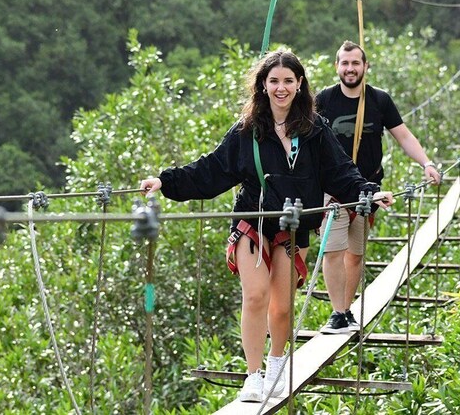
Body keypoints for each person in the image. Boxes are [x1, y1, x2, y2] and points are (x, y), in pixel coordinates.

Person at [139, 49, 394, 403]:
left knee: (282, 305)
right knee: (255, 295)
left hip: (293, 226)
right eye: (273, 81)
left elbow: (340, 172)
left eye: (288, 81)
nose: (281, 88)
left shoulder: (315, 129)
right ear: (263, 85)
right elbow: (212, 170)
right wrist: (165, 182)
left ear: (299, 84)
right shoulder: (247, 131)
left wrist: (369, 191)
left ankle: (277, 362)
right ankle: (254, 375)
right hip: (253, 220)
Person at [316, 40, 441, 334]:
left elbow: (403, 136)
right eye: (345, 63)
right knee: (333, 250)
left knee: (355, 253)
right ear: (337, 67)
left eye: (356, 63)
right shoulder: (323, 100)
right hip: (332, 190)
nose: (350, 69)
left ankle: (346, 310)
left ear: (365, 67)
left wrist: (426, 163)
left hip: (368, 191)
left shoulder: (379, 100)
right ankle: (336, 313)